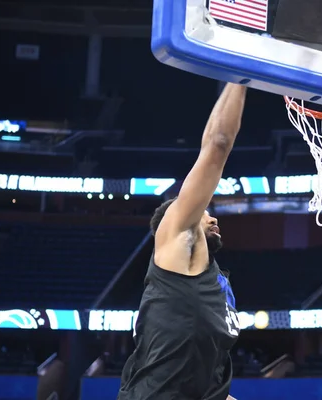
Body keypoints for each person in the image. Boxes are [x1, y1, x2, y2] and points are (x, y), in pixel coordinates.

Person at [117, 82, 247, 400]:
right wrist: (242, 77)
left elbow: (207, 380)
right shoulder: (176, 241)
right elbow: (217, 144)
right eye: (204, 212)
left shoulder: (216, 283)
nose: (213, 218)